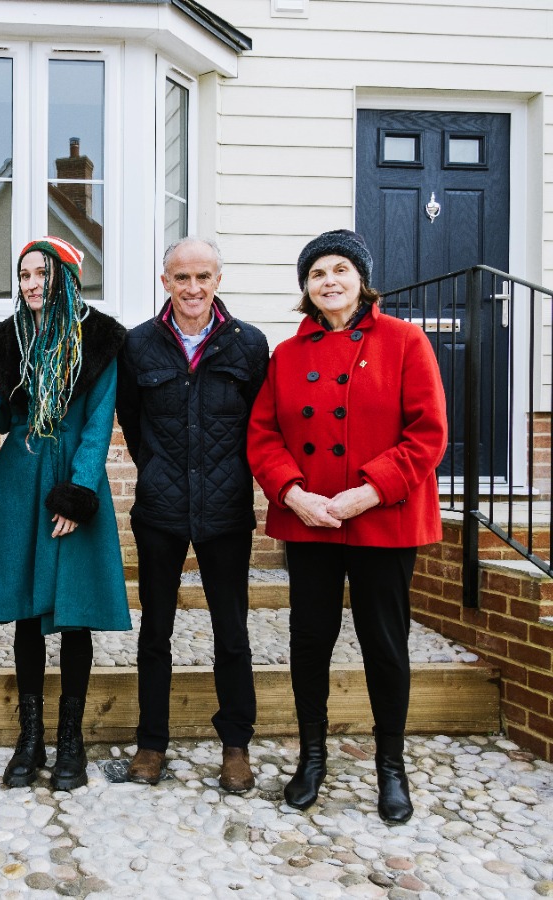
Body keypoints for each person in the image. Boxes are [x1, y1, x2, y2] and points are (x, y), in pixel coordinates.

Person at [247, 229, 447, 824]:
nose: (328, 282)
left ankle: (392, 765)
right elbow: (263, 436)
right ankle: (312, 757)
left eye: (339, 270)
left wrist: (367, 492)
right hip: (310, 521)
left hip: (381, 518)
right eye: (316, 274)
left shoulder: (405, 341)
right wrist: (293, 493)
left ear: (361, 278)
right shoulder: (287, 354)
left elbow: (427, 433)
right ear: (306, 289)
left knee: (384, 644)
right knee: (310, 641)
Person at [0, 236, 129, 792]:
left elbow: (99, 424)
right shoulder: (11, 339)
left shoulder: (98, 338)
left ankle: (71, 742)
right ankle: (30, 739)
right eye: (24, 274)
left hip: (71, 481)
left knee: (73, 612)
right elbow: (10, 417)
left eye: (40, 274)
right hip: (21, 479)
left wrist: (79, 493)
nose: (30, 284)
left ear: (64, 278)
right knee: (28, 612)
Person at [115, 237, 268, 792]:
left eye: (203, 276)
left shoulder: (248, 344)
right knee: (155, 630)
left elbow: (260, 423)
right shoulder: (139, 345)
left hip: (226, 511)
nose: (193, 288)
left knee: (232, 631)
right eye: (182, 278)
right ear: (166, 283)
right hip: (160, 510)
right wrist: (157, 470)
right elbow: (132, 422)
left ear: (218, 281)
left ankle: (235, 745)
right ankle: (151, 743)